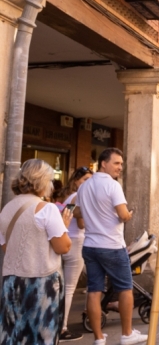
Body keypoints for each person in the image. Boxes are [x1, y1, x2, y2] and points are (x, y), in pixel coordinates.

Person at [77, 148, 147, 345]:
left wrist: (93, 215)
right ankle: (127, 334)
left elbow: (78, 213)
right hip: (111, 246)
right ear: (103, 164)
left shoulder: (84, 187)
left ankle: (99, 338)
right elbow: (123, 215)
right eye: (116, 163)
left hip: (90, 245)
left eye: (121, 164)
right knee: (125, 288)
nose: (120, 167)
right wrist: (129, 214)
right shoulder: (112, 186)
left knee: (94, 290)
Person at [0, 159, 73, 344]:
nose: (50, 185)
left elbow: (7, 247)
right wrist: (63, 226)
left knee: (12, 334)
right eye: (49, 180)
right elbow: (63, 246)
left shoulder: (6, 209)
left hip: (11, 282)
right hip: (41, 284)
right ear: (40, 180)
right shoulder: (46, 209)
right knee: (42, 337)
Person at [56, 166, 93, 342]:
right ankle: (62, 328)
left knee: (66, 287)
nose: (88, 183)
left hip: (65, 241)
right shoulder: (79, 196)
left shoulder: (69, 195)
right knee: (69, 288)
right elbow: (81, 224)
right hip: (76, 243)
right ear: (77, 180)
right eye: (85, 179)